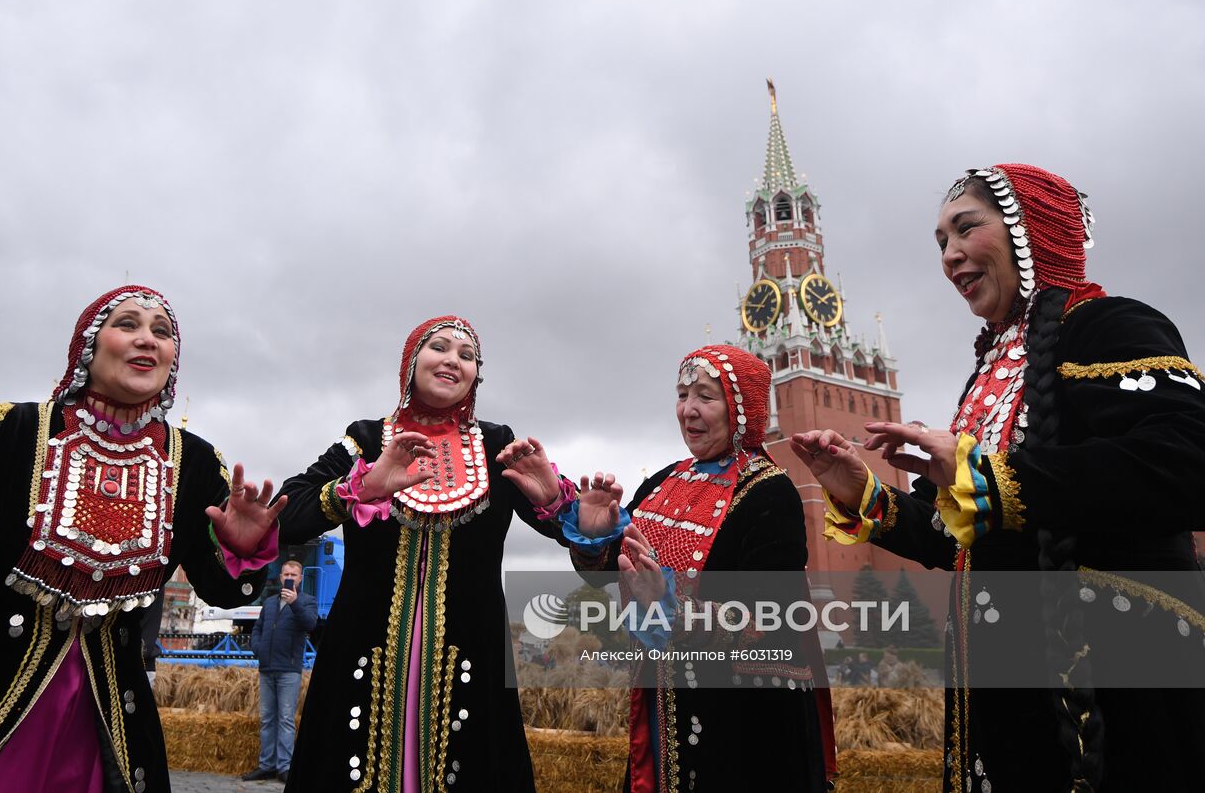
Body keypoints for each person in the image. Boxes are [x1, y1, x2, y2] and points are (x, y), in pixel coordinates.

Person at [794, 164, 1205, 791]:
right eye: (940, 242)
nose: (950, 255)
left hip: (1118, 688)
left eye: (965, 229)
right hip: (1010, 698)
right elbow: (950, 539)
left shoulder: (1108, 326)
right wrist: (861, 491)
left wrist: (990, 475)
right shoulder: (989, 373)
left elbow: (1187, 460)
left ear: (1028, 230)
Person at [0, 285, 284, 793]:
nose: (147, 339)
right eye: (127, 324)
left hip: (106, 717)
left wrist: (243, 549)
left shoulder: (192, 462)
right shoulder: (12, 429)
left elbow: (225, 590)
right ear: (88, 345)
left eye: (162, 331)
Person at [275, 314, 577, 792]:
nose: (453, 361)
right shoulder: (367, 439)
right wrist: (361, 486)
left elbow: (567, 534)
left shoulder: (497, 445)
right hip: (365, 652)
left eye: (467, 355)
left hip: (471, 653)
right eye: (439, 348)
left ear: (477, 374)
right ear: (411, 361)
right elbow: (288, 514)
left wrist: (564, 506)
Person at [566, 345, 833, 791]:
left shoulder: (769, 493)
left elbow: (775, 619)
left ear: (740, 408)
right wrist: (595, 537)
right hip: (661, 704)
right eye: (682, 393)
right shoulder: (662, 482)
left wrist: (673, 608)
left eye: (705, 397)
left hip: (744, 723)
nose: (688, 409)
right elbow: (610, 572)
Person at [242, 559, 317, 782]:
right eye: (286, 574)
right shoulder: (270, 602)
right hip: (266, 667)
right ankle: (267, 764)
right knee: (267, 718)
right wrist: (258, 648)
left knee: (285, 719)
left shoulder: (307, 601)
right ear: (280, 577)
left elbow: (310, 624)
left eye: (294, 575)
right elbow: (258, 628)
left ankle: (285, 767)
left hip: (288, 670)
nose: (290, 578)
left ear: (301, 579)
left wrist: (294, 603)